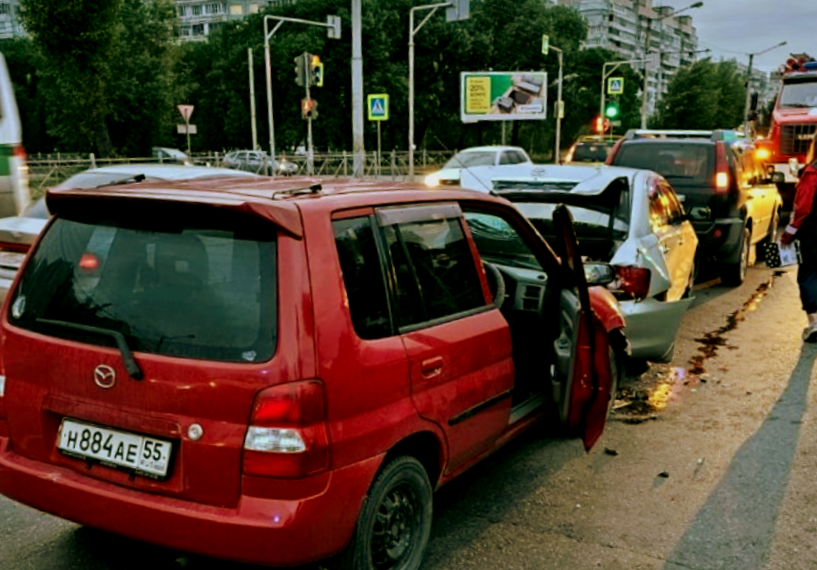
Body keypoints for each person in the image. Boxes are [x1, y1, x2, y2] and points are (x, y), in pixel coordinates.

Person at [781, 132, 817, 341]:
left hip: (813, 234)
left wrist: (788, 233)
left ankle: (814, 323)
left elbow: (803, 208)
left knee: (809, 274)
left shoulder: (812, 173)